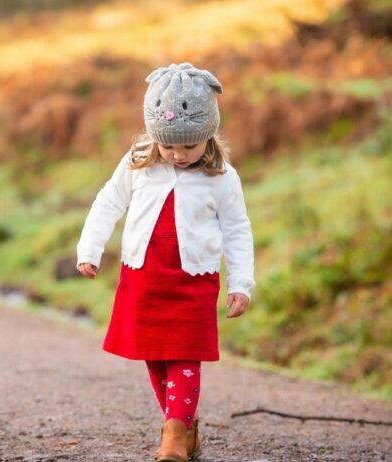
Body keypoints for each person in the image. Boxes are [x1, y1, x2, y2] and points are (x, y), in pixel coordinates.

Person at [76, 62, 255, 462]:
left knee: (185, 350)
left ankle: (174, 433)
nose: (177, 155)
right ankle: (182, 426)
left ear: (207, 136)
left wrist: (241, 283)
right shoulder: (139, 160)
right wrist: (89, 249)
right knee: (154, 352)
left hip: (194, 279)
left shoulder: (222, 177)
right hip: (144, 275)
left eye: (188, 146)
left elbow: (238, 229)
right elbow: (109, 203)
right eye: (168, 145)